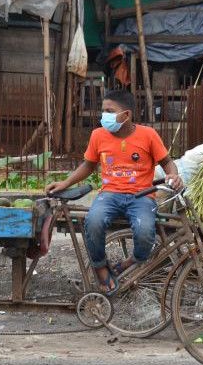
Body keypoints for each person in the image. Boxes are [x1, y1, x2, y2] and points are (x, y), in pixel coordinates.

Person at [45, 90, 182, 296]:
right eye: (103, 110)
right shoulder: (98, 135)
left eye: (110, 111)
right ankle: (101, 268)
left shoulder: (148, 135)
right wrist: (65, 183)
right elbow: (88, 165)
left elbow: (167, 162)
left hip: (142, 196)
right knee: (93, 222)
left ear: (126, 115)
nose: (104, 116)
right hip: (109, 194)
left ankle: (129, 262)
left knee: (146, 233)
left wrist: (174, 176)